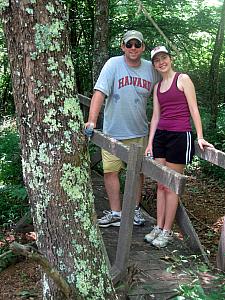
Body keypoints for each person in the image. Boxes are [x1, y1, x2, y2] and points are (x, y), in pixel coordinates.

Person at [85, 30, 160, 228]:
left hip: (140, 133)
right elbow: (99, 93)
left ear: (143, 47)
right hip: (113, 133)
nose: (133, 48)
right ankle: (117, 212)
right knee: (110, 172)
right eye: (129, 44)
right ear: (123, 46)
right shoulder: (113, 64)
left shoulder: (150, 69)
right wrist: (92, 120)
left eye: (137, 44)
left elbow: (165, 88)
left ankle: (134, 211)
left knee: (137, 174)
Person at [144, 46, 214, 247]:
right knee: (161, 184)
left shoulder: (183, 79)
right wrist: (150, 142)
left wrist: (199, 136)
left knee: (172, 186)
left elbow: (193, 108)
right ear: (154, 65)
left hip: (179, 136)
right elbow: (156, 115)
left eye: (164, 58)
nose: (161, 62)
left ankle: (167, 231)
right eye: (157, 60)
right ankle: (158, 226)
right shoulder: (157, 87)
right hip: (161, 137)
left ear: (170, 59)